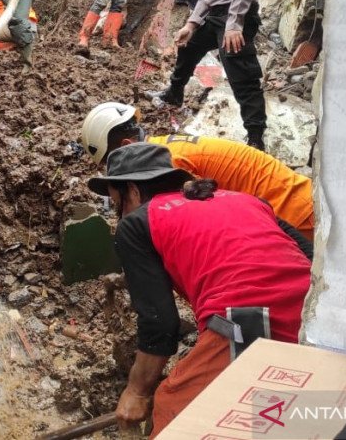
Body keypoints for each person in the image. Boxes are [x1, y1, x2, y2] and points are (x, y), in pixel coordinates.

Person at [86, 143, 311, 437]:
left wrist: (137, 392)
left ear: (134, 191)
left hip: (250, 320)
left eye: (118, 204)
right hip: (313, 315)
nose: (120, 214)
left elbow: (159, 322)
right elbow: (310, 255)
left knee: (173, 408)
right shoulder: (245, 200)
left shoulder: (137, 223)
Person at [81, 102, 314, 241]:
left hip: (293, 212)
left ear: (126, 147)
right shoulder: (164, 147)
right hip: (293, 202)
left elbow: (198, 224)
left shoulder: (168, 163)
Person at [146, 0, 267, 150]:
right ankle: (175, 92)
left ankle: (255, 137)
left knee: (242, 76)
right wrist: (192, 23)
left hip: (236, 17)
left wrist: (234, 26)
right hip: (215, 15)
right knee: (188, 45)